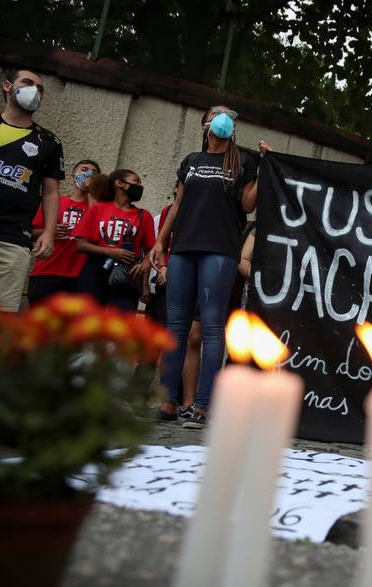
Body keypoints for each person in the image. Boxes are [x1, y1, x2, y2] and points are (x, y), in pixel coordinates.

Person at [150, 105, 268, 428]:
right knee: (175, 327)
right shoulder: (191, 160)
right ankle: (168, 401)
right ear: (205, 124)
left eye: (231, 115)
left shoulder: (242, 161)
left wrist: (264, 166)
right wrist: (161, 242)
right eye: (218, 114)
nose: (224, 118)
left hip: (220, 251)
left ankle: (202, 406)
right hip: (183, 249)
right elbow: (177, 206)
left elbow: (247, 203)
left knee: (212, 328)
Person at [0, 68, 63, 311]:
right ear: (8, 86)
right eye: (28, 83)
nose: (35, 91)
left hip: (15, 240)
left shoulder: (49, 143)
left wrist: (49, 233)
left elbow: (50, 192)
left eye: (40, 88)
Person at [73, 170, 155, 311]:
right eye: (136, 181)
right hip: (96, 269)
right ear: (119, 183)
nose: (139, 186)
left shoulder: (144, 216)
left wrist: (144, 265)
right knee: (88, 319)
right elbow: (80, 245)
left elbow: (151, 250)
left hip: (126, 273)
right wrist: (111, 252)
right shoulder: (98, 209)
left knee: (119, 323)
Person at [27, 159, 100, 302]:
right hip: (46, 271)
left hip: (78, 277)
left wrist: (92, 192)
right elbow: (31, 233)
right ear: (73, 176)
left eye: (94, 173)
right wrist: (49, 231)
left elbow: (97, 233)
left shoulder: (97, 207)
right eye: (84, 170)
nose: (89, 175)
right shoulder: (55, 202)